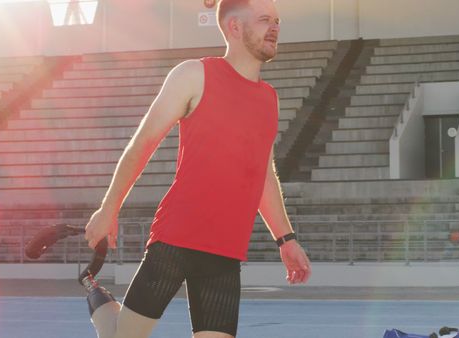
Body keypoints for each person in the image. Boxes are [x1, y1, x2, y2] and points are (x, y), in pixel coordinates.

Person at [82, 0, 311, 337]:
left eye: (277, 20)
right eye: (264, 20)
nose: (275, 27)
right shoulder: (194, 74)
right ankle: (101, 306)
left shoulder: (269, 99)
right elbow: (142, 143)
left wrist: (286, 239)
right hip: (176, 240)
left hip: (225, 252)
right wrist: (108, 208)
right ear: (234, 28)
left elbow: (262, 173)